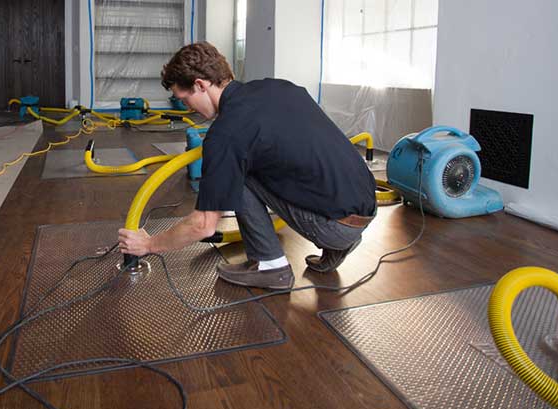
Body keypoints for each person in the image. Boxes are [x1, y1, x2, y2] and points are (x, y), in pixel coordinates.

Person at [118, 42, 376, 290]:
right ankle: (339, 244)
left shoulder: (226, 133)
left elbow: (203, 225)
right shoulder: (279, 87)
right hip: (367, 203)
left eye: (185, 99)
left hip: (336, 226)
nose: (188, 108)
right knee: (272, 164)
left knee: (238, 171)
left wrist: (149, 244)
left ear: (200, 85)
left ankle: (270, 265)